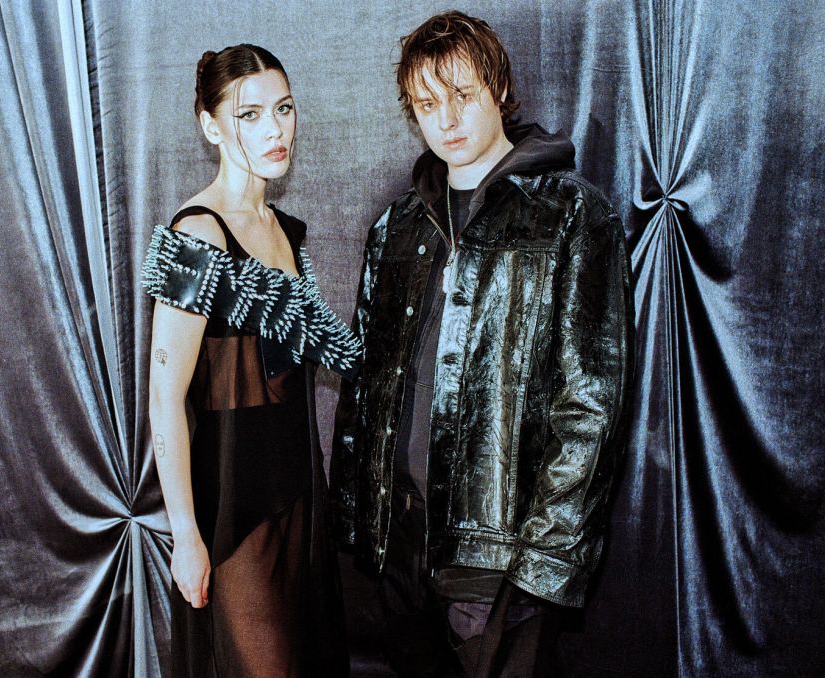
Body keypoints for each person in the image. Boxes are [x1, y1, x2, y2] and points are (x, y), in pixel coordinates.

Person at [330, 11, 634, 678]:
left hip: (501, 558)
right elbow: (365, 385)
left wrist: (542, 561)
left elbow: (592, 404)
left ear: (498, 87)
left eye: (461, 95)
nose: (446, 120)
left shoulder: (571, 215)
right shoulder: (397, 225)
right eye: (426, 104)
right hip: (398, 549)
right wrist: (357, 524)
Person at [141, 44, 358, 678]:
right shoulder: (196, 235)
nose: (274, 130)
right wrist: (186, 534)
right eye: (250, 114)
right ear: (210, 127)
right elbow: (164, 396)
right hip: (233, 514)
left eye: (284, 109)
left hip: (301, 501)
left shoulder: (287, 231)